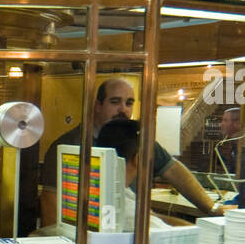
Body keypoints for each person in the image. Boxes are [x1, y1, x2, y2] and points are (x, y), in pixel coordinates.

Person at [40, 77, 226, 226]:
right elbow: (51, 215)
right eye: (115, 102)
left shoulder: (137, 140)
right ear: (97, 105)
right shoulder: (70, 146)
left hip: (129, 227)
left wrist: (213, 208)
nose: (123, 109)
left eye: (129, 103)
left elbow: (173, 170)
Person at [95, 119, 187, 233]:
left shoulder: (111, 192)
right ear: (138, 159)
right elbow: (173, 236)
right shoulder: (128, 210)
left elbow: (152, 218)